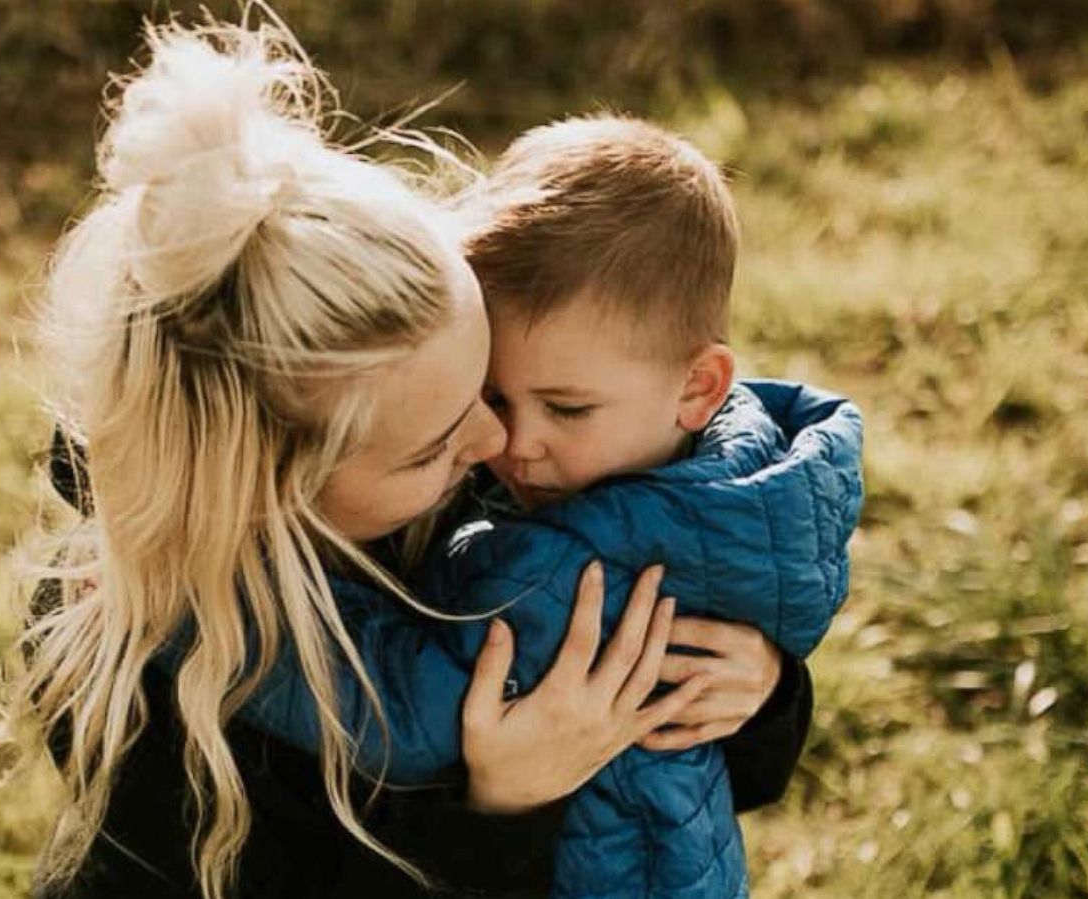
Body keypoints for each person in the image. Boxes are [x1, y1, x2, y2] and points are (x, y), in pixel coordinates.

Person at [17, 15, 815, 899]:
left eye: (486, 383)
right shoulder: (147, 675)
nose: (495, 441)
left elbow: (700, 779)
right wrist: (498, 805)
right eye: (434, 447)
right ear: (270, 492)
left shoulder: (513, 482)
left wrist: (761, 695)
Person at [171, 117, 865, 898]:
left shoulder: (574, 563)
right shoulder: (745, 488)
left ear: (699, 387)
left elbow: (399, 705)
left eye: (565, 409)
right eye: (491, 391)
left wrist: (195, 610)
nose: (509, 438)